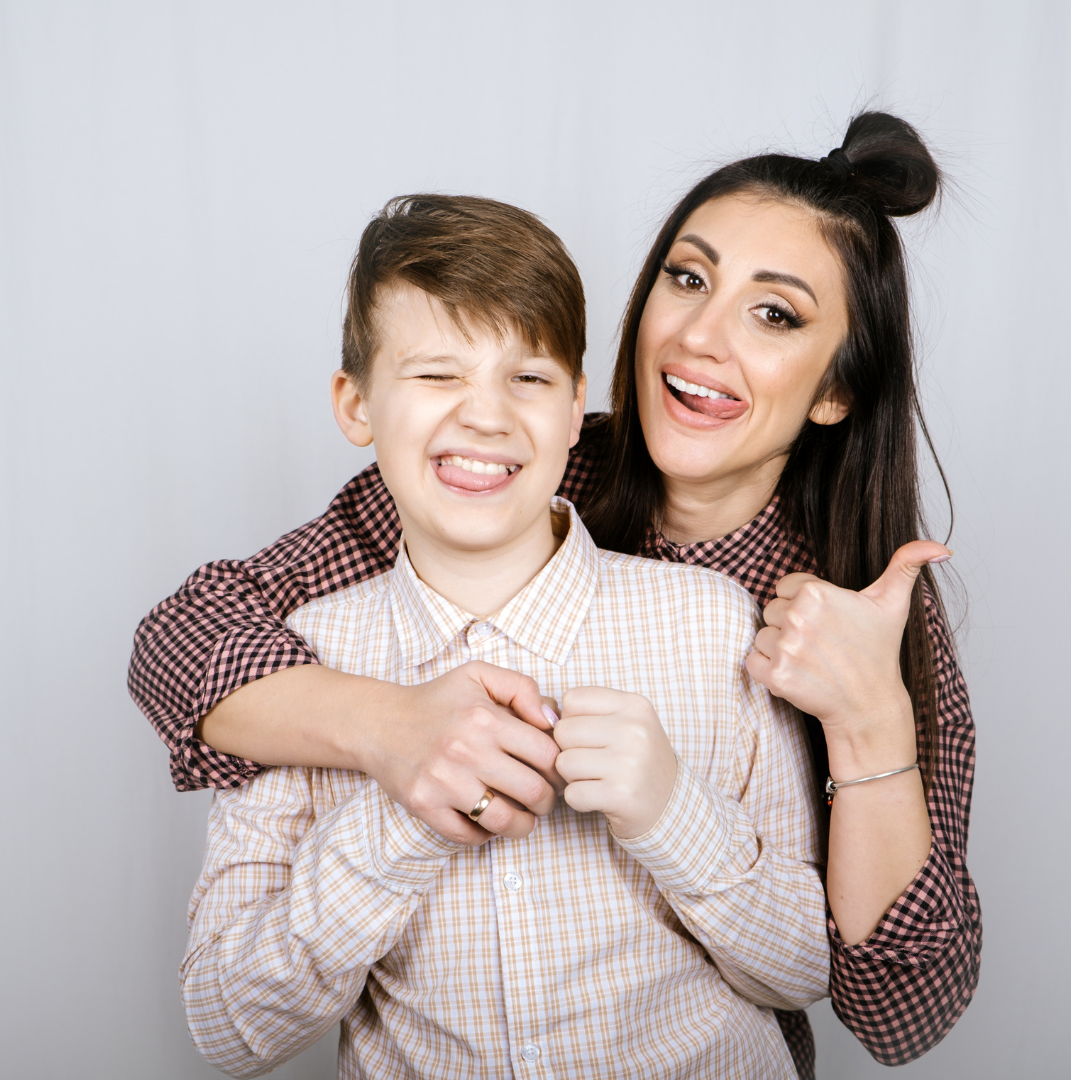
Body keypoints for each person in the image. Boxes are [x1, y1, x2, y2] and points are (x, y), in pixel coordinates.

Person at [131, 112, 979, 1077]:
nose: (700, 336)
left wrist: (872, 722)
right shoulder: (510, 465)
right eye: (688, 279)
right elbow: (185, 641)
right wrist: (395, 730)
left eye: (774, 313)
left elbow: (897, 1010)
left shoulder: (855, 608)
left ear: (837, 389)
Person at [182, 194, 828, 1078]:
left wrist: (675, 811)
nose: (485, 416)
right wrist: (397, 819)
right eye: (436, 373)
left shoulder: (712, 622)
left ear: (574, 413)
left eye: (527, 378)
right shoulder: (299, 667)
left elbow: (802, 971)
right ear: (356, 405)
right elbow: (225, 1030)